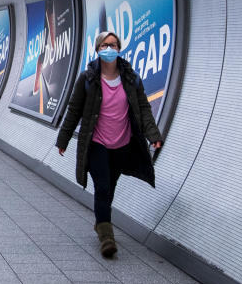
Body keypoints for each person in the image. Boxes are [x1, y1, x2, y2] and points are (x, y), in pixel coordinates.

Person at [55, 31, 163, 258]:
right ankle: (107, 236)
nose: (109, 49)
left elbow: (143, 109)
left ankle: (101, 222)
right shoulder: (88, 79)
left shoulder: (131, 80)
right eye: (105, 45)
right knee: (102, 186)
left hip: (122, 144)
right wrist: (63, 140)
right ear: (97, 49)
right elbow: (74, 111)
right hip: (97, 143)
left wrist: (153, 135)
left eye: (113, 45)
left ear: (119, 48)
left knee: (109, 188)